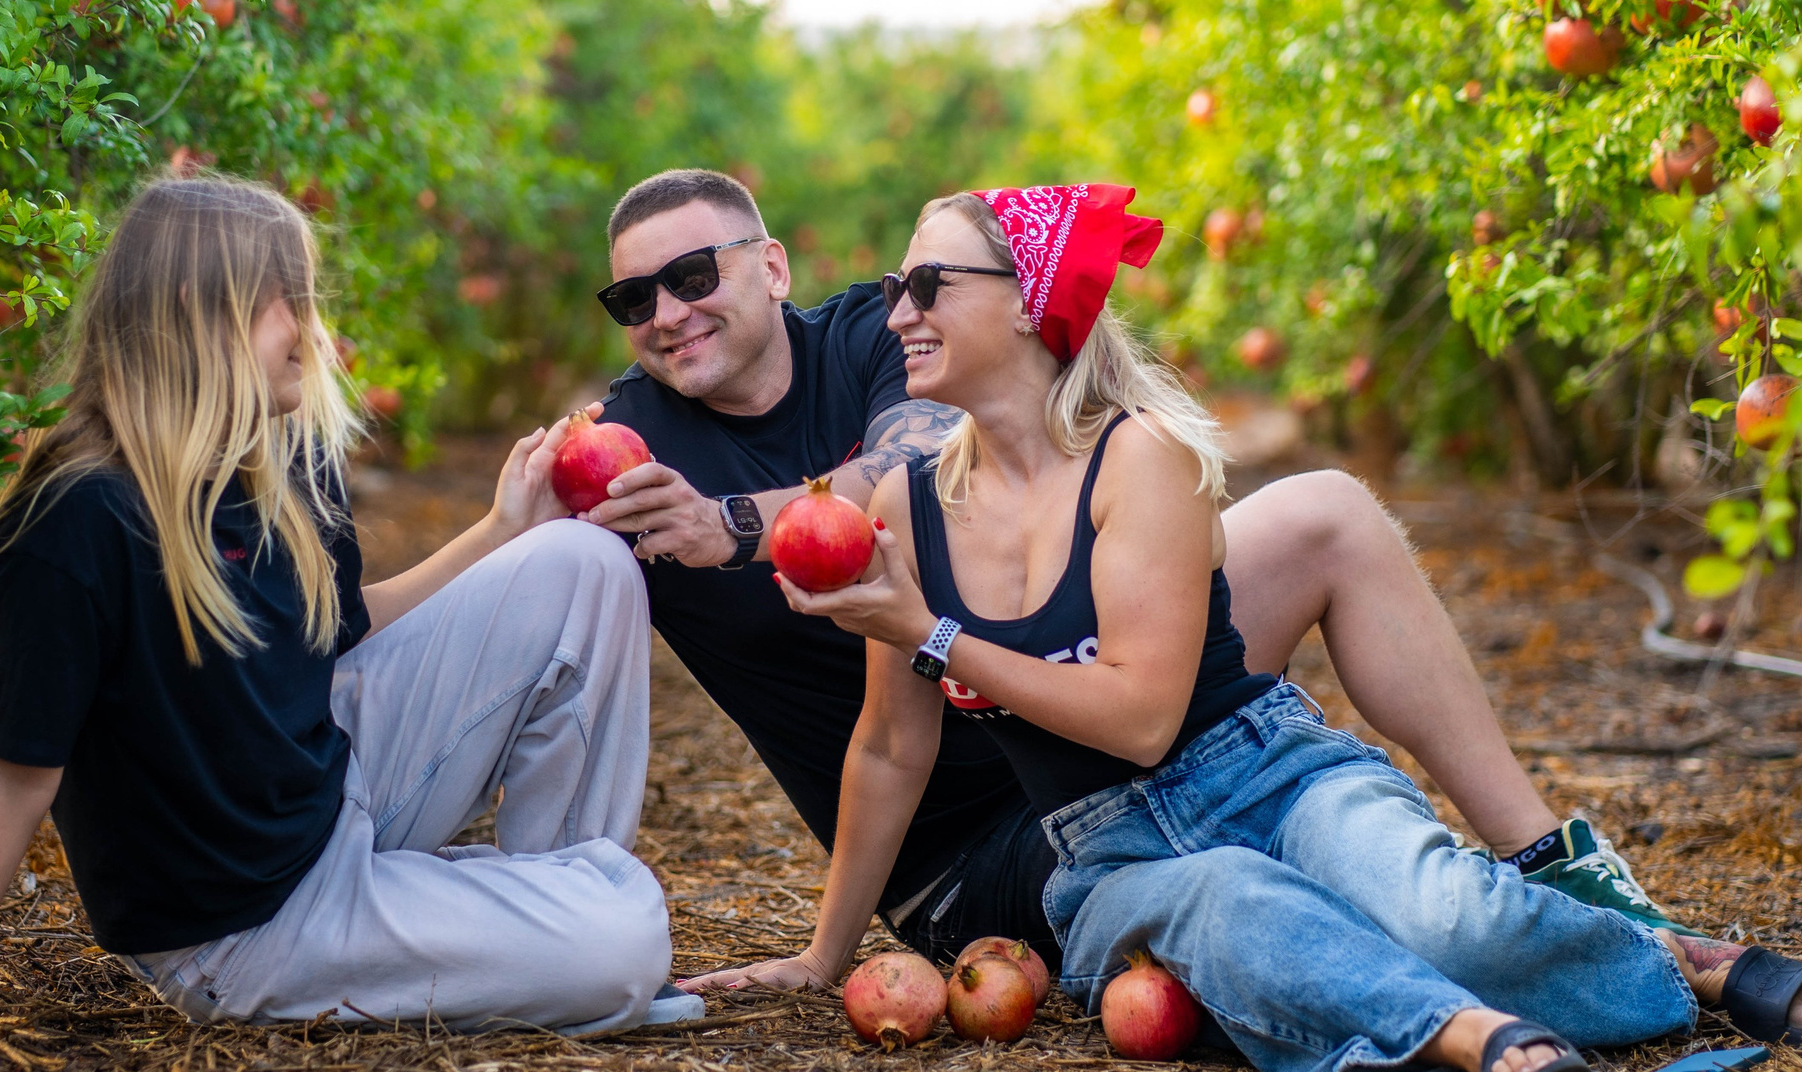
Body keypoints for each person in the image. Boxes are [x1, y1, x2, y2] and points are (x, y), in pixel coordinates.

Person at [697, 185, 1802, 1072]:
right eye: (893, 289)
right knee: (1231, 911)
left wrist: (933, 634)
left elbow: (1142, 721)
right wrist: (823, 955)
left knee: (1449, 922)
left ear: (1025, 303)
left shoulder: (1138, 458)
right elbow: (889, 749)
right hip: (1102, 856)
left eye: (926, 286)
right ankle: (1482, 1043)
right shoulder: (904, 506)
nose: (895, 312)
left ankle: (1681, 966)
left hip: (1258, 771)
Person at [582, 169, 1686, 977]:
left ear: (770, 266)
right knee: (1275, 893)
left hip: (1097, 723)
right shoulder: (632, 444)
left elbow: (908, 457)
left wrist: (734, 525)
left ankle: (1551, 858)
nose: (667, 314)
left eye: (692, 275)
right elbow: (881, 741)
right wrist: (825, 958)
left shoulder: (880, 339)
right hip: (986, 842)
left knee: (1329, 514)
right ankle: (1501, 975)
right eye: (634, 300)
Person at [0, 175, 689, 1054]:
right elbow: (12, 773)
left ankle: (543, 914)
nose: (313, 331)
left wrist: (501, 529)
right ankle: (562, 940)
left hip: (329, 787)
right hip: (249, 925)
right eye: (287, 301)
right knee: (626, 940)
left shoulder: (281, 458)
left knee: (587, 562)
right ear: (201, 309)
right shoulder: (76, 516)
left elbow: (340, 630)